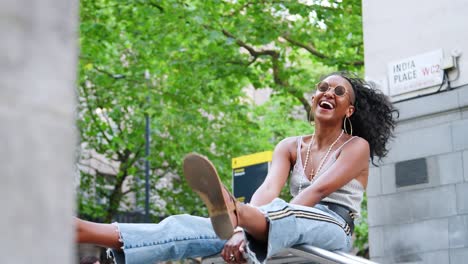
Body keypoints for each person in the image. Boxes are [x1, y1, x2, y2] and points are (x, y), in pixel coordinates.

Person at [76, 72, 397, 264]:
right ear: (314, 98)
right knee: (198, 227)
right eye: (323, 87)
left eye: (338, 92)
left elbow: (318, 191)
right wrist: (241, 230)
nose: (329, 92)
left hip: (331, 226)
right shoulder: (289, 146)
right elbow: (268, 189)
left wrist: (245, 222)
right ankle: (89, 231)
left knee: (280, 213)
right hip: (279, 218)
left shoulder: (355, 147)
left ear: (348, 109)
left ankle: (238, 214)